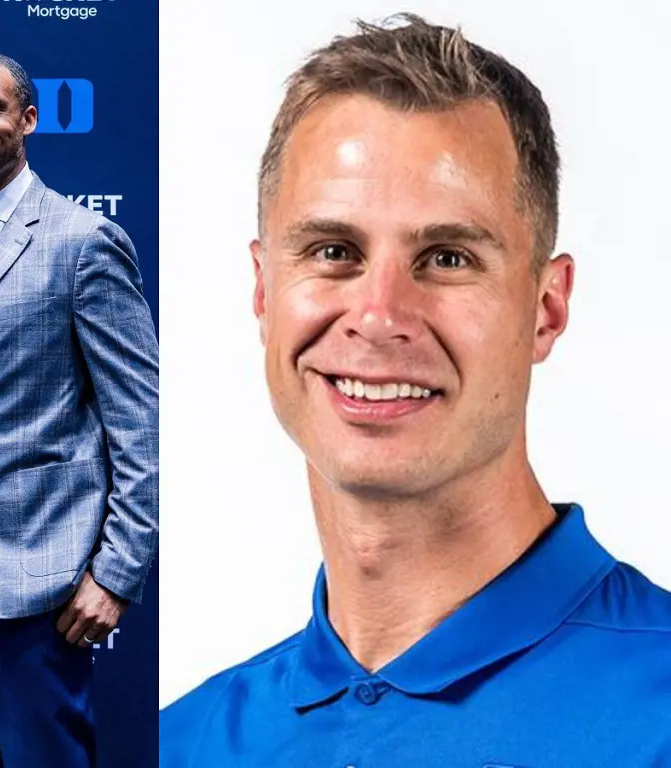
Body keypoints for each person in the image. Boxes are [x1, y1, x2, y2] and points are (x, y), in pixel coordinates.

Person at [160, 14, 671, 766]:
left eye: (447, 258)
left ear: (546, 307)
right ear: (264, 290)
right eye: (334, 251)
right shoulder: (180, 743)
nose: (378, 316)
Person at [0, 51, 159, 767]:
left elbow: (142, 423)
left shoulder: (82, 243)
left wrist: (117, 571)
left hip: (39, 578)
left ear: (29, 119)